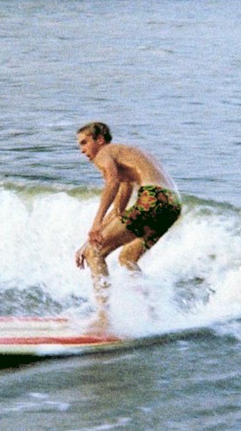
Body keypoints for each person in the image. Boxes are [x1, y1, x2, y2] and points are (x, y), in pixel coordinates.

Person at [74, 122, 181, 330]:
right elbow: (119, 213)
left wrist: (95, 226)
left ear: (100, 140)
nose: (82, 150)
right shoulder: (127, 161)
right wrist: (85, 242)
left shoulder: (105, 152)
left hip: (153, 198)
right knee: (127, 258)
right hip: (171, 205)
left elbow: (111, 182)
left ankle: (104, 320)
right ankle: (153, 313)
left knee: (94, 252)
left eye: (85, 143)